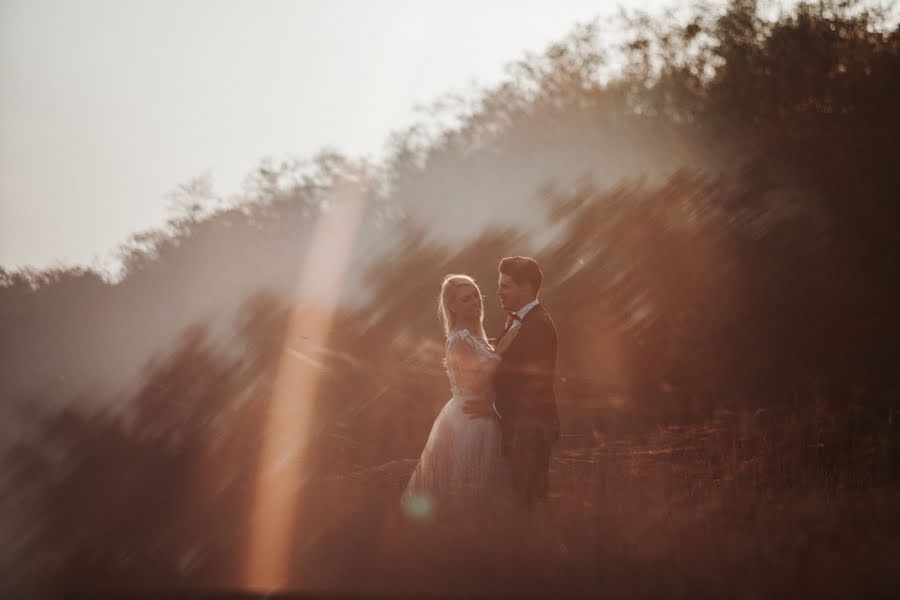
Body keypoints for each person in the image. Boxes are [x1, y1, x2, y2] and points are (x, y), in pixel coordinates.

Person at [402, 274, 518, 510]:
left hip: (485, 414)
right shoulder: (458, 341)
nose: (475, 301)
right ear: (452, 306)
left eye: (476, 295)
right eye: (466, 299)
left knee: (486, 493)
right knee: (467, 489)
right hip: (470, 420)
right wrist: (500, 352)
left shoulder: (478, 337)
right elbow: (475, 384)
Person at [463, 256, 560, 509]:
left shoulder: (537, 326)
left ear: (526, 287)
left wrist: (492, 410)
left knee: (527, 506)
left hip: (528, 430)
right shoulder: (521, 322)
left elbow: (531, 386)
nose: (498, 292)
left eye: (505, 286)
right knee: (518, 505)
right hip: (519, 429)